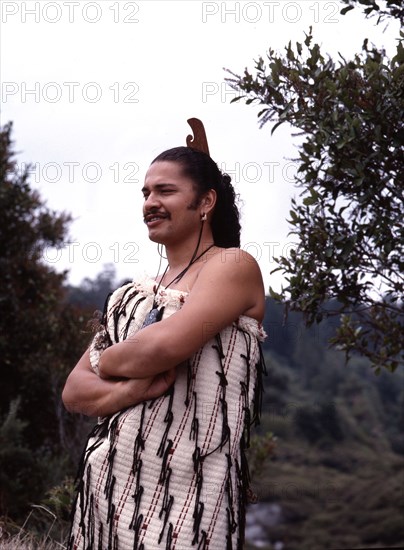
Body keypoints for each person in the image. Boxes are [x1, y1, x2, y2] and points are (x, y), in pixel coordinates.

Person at [62, 120, 267, 550]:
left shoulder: (232, 266)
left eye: (165, 191)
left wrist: (105, 360)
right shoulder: (130, 296)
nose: (150, 202)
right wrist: (128, 392)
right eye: (146, 193)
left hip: (193, 493)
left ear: (205, 201)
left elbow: (162, 347)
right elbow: (73, 391)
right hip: (109, 481)